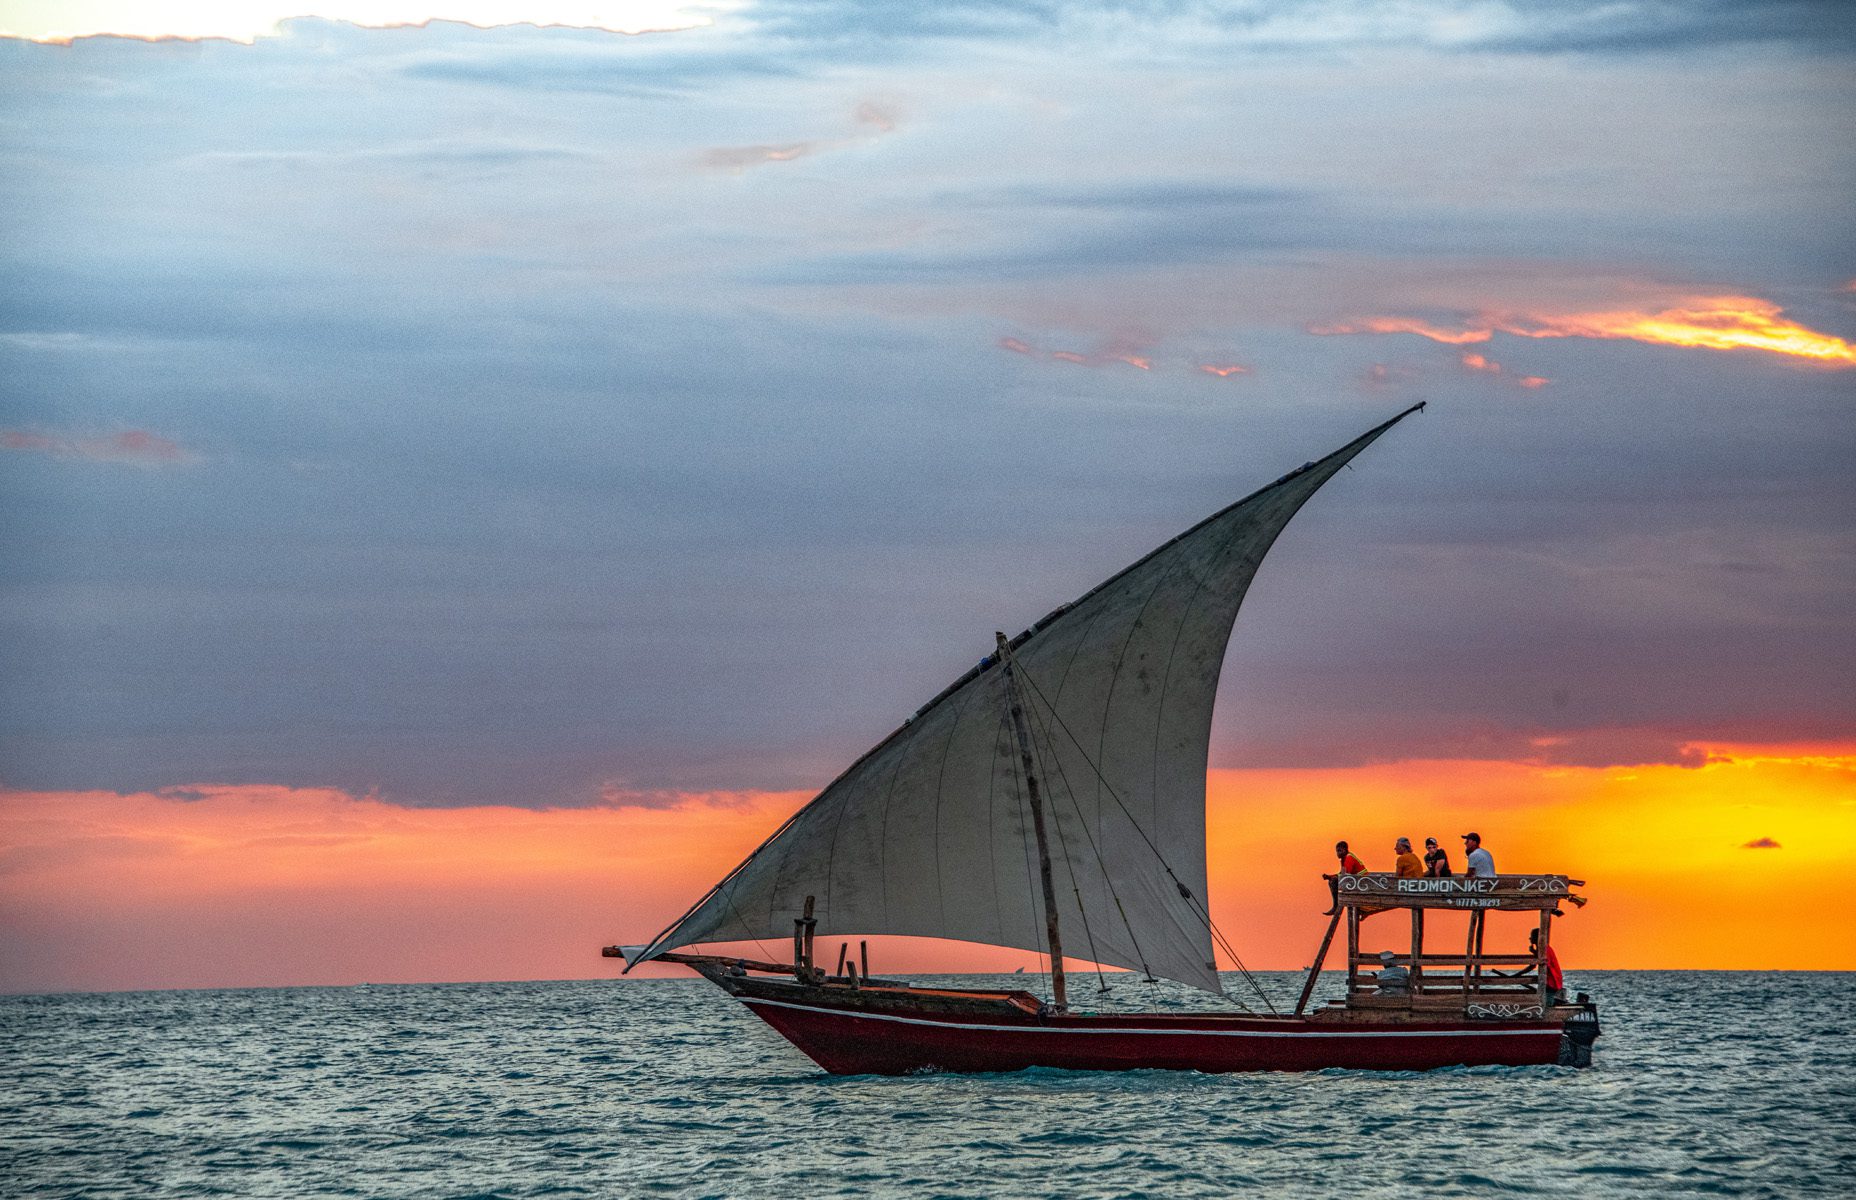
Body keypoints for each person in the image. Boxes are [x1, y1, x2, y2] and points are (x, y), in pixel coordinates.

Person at [1322, 840, 1366, 915]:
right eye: (1337, 851)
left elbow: (1345, 876)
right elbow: (1342, 874)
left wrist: (1332, 878)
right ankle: (1335, 905)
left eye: (1339, 851)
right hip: (1357, 881)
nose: (1338, 853)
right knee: (1332, 880)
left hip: (1362, 883)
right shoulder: (1344, 859)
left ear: (1345, 850)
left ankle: (1336, 905)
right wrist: (1329, 877)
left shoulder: (1349, 858)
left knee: (1333, 881)